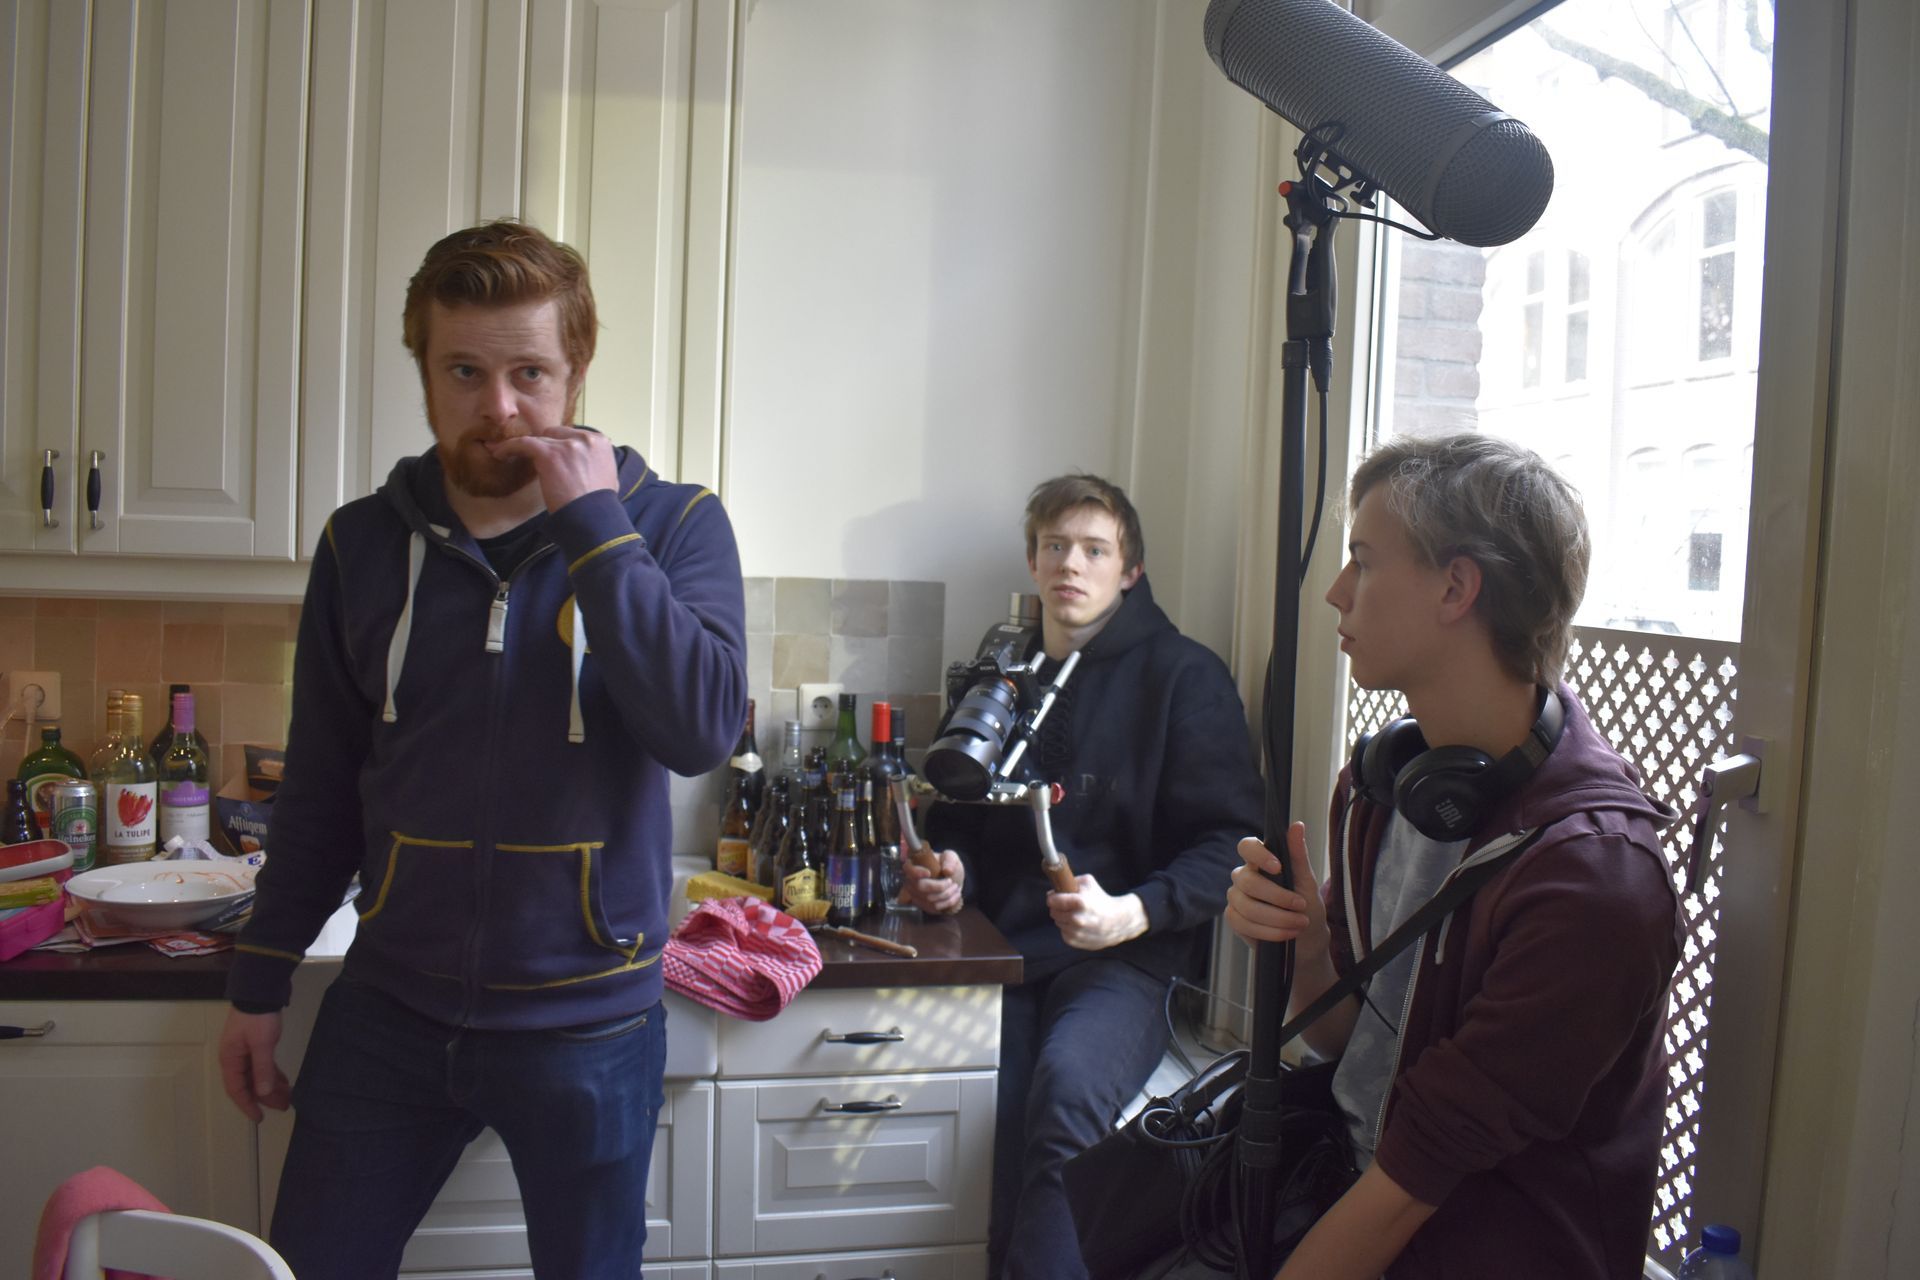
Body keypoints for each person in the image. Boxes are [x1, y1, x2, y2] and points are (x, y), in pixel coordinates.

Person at [215, 219, 747, 1280]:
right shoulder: (361, 542)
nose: (498, 407)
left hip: (591, 1025)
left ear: (575, 371)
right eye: (464, 371)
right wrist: (259, 979)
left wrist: (596, 526)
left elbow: (700, 731)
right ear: (423, 370)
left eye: (529, 373)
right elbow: (320, 786)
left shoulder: (673, 523)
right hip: (390, 1010)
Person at [1224, 433, 1681, 1280]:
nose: (1335, 592)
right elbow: (1344, 1042)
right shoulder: (1381, 790)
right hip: (1346, 1191)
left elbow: (1416, 1180)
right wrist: (1309, 950)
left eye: (1364, 561)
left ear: (1456, 587)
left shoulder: (1595, 881)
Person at [903, 474, 1265, 1280]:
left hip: (1125, 961)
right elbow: (956, 818)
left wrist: (1136, 910)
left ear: (1130, 571)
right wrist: (952, 871)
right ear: (1033, 561)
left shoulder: (1185, 677)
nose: (1072, 563)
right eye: (1056, 546)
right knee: (982, 1109)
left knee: (1067, 1093)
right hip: (1007, 954)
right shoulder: (1001, 676)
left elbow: (1231, 842)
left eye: (1095, 550)